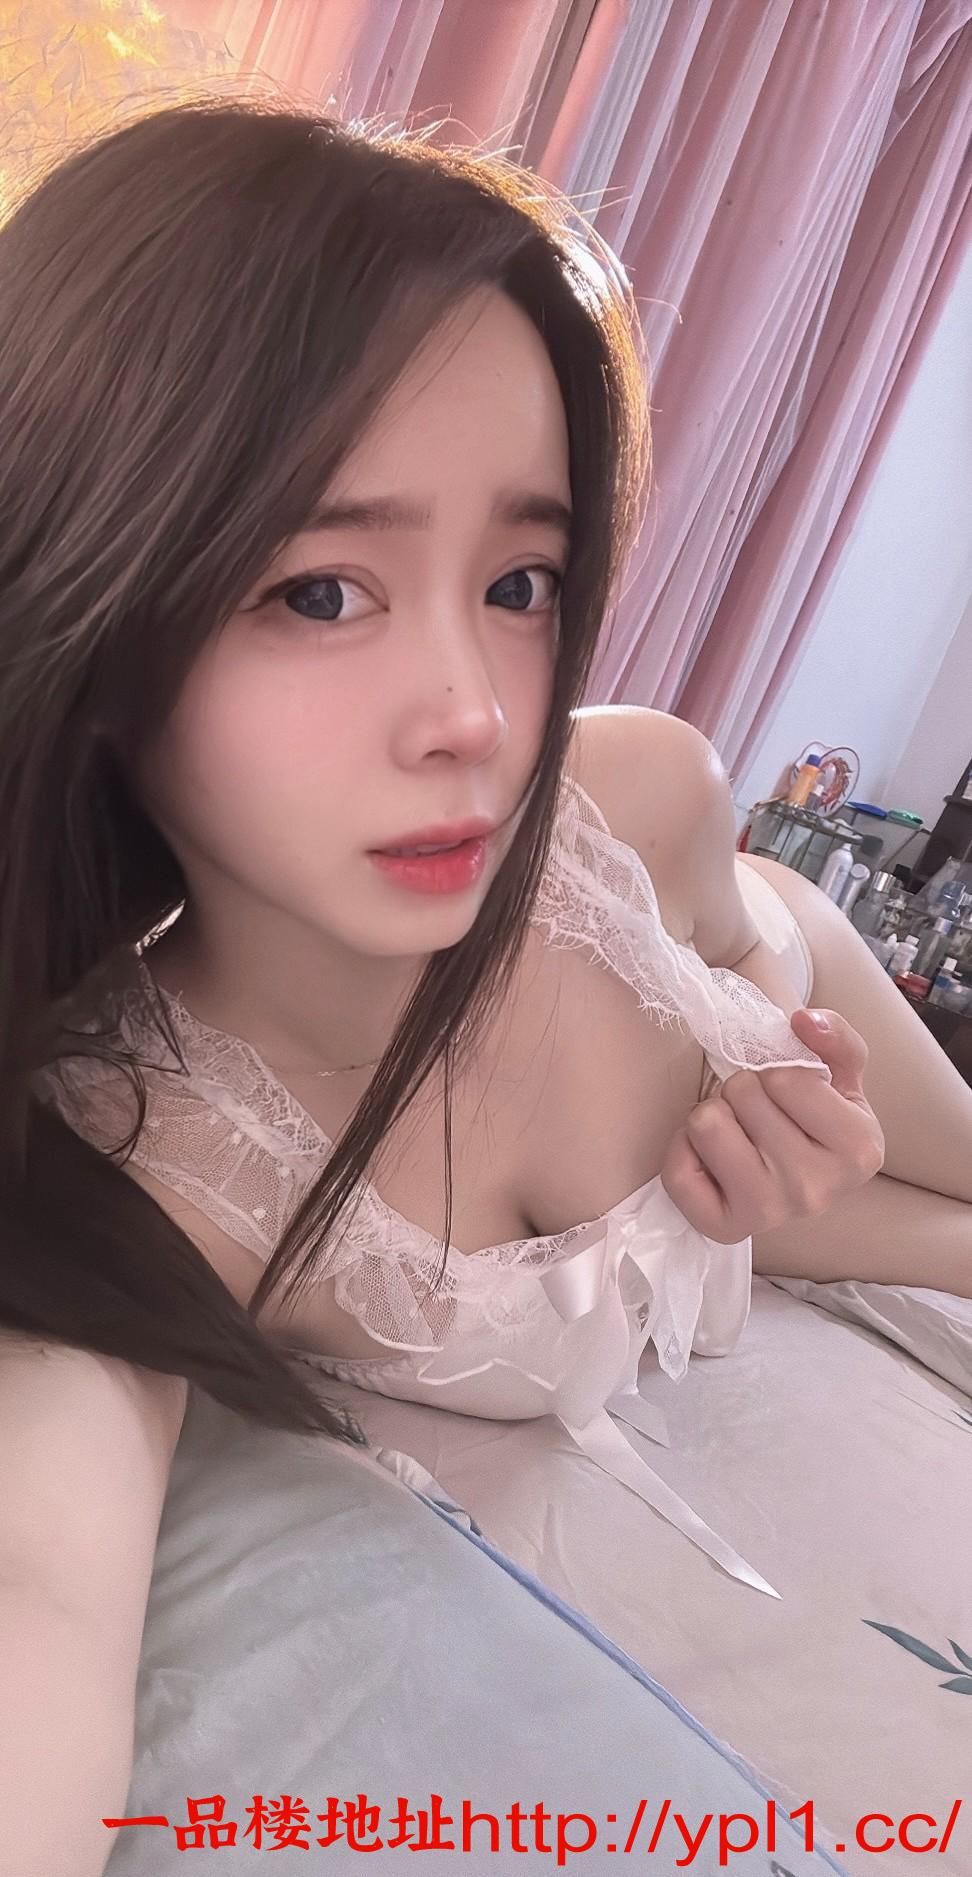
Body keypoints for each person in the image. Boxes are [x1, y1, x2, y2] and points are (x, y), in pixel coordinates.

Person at [2, 95, 970, 1877]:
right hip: (761, 1202)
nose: (472, 712)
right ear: (95, 600)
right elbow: (40, 1592)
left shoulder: (630, 785)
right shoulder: (147, 1171)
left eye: (521, 580)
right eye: (319, 592)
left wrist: (773, 1051)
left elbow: (736, 951)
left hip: (768, 969)